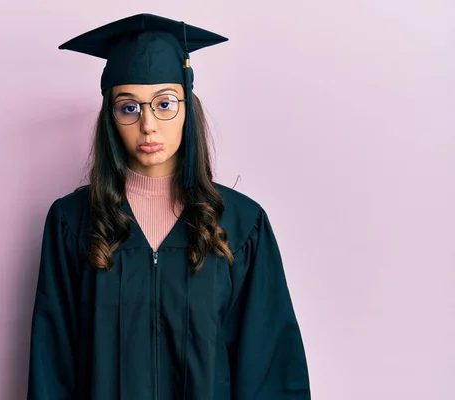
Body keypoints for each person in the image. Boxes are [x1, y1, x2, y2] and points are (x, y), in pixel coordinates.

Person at [26, 13, 310, 400]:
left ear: (187, 107)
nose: (148, 125)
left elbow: (270, 368)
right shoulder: (73, 223)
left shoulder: (242, 224)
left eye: (164, 103)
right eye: (129, 107)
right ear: (110, 117)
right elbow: (52, 367)